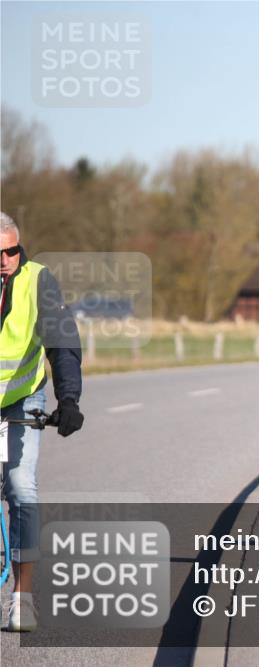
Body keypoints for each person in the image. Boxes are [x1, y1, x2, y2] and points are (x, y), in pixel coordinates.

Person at [0, 212, 84, 631]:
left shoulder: (38, 280)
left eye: (11, 250)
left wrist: (68, 397)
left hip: (22, 398)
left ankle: (22, 600)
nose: (5, 260)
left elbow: (62, 339)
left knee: (20, 486)